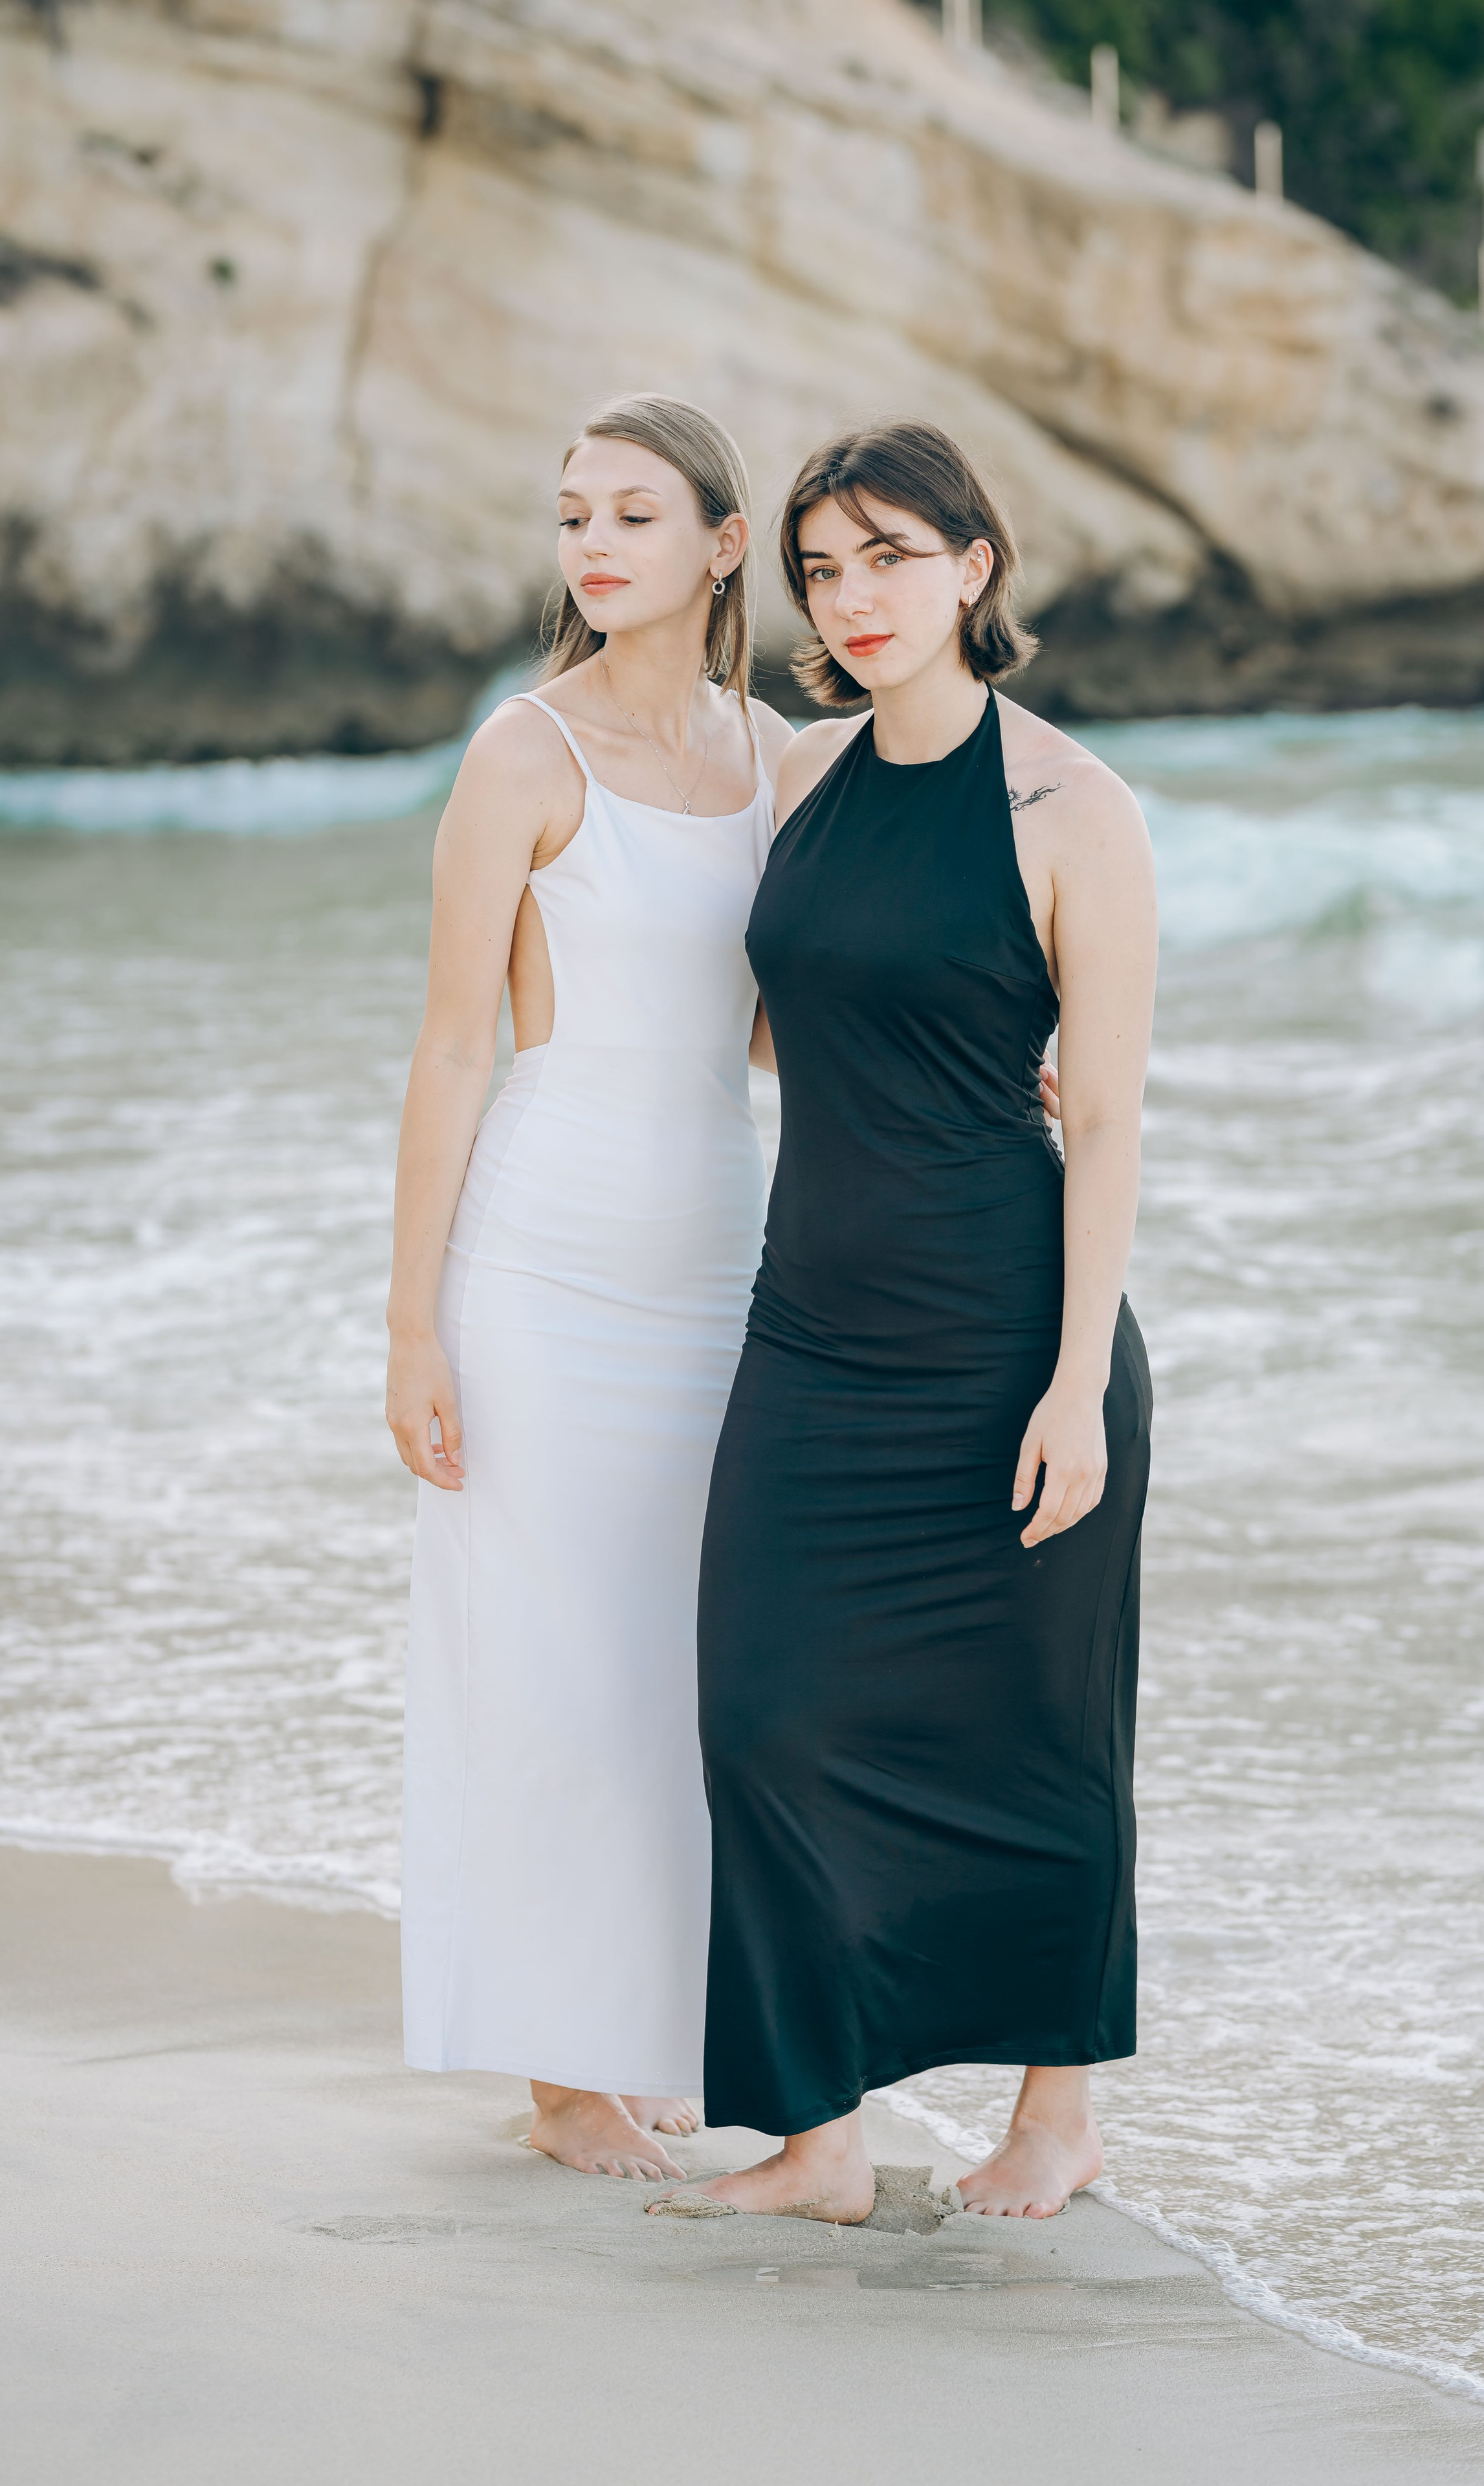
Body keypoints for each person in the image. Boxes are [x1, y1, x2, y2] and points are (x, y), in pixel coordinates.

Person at [663, 420, 1156, 2224]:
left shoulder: (1072, 810)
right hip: (814, 1330)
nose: (854, 598)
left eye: (889, 556)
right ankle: (820, 2143)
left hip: (1010, 1336)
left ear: (975, 563)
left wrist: (1078, 1384)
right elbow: (792, 1007)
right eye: (823, 568)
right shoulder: (801, 779)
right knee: (762, 1714)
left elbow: (1100, 1116)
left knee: (1042, 1731)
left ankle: (1058, 2112)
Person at [388, 394, 793, 2182]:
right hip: (542, 1270)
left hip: (722, 1257)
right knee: (547, 1657)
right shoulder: (520, 753)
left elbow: (779, 1021)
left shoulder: (774, 756)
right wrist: (410, 1327)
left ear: (722, 546)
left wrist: (979, 1067)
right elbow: (452, 1050)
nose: (594, 546)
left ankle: (651, 2024)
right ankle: (561, 2069)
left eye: (636, 515)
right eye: (572, 518)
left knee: (685, 1661)